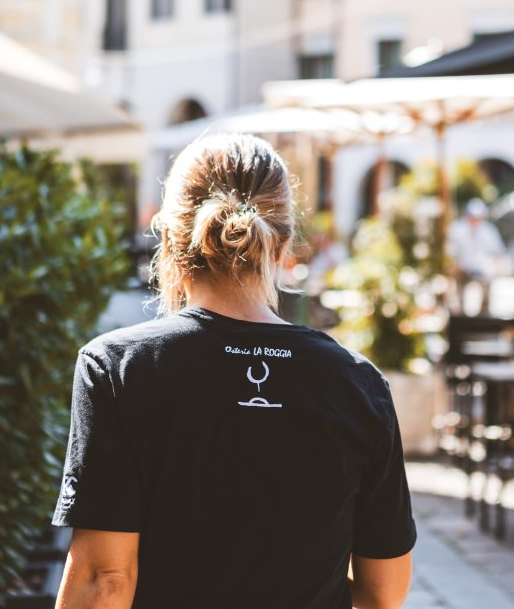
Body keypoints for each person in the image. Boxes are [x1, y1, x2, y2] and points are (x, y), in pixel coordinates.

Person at [52, 133, 416, 609]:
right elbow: (384, 592)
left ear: (168, 239)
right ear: (284, 245)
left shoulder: (118, 368)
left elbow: (105, 582)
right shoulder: (358, 382)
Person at [446, 197, 505, 315]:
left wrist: (497, 268)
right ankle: (461, 313)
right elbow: (450, 251)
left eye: (478, 217)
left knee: (487, 285)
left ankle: (483, 313)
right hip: (462, 268)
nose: (475, 220)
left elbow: (498, 251)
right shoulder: (457, 229)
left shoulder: (489, 231)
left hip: (482, 269)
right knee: (458, 287)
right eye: (472, 217)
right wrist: (455, 265)